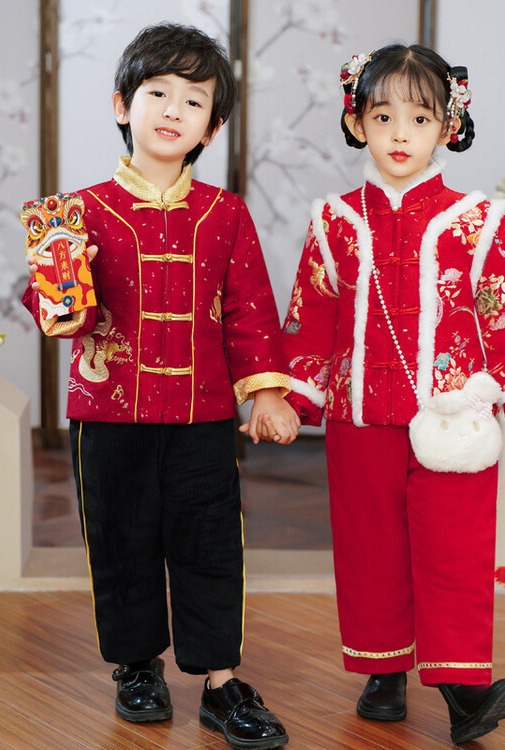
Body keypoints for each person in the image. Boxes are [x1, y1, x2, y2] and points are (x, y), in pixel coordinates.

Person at [23, 22, 300, 750]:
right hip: (107, 413)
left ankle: (221, 682)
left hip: (202, 417)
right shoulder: (77, 212)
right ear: (123, 104)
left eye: (194, 100)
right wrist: (60, 280)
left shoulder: (226, 214)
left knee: (212, 544)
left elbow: (250, 310)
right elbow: (60, 315)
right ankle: (136, 666)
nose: (174, 110)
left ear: (214, 126)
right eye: (157, 93)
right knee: (120, 541)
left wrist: (266, 392)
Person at [281, 43, 505, 745]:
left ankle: (465, 690)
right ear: (357, 123)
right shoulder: (333, 221)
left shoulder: (478, 218)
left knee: (455, 549)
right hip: (359, 418)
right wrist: (288, 399)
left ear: (447, 127)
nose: (400, 134)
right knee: (370, 548)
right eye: (383, 117)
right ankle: (383, 676)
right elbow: (311, 317)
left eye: (419, 118)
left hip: (455, 420)